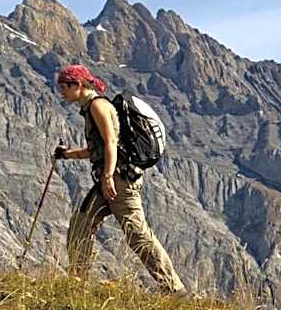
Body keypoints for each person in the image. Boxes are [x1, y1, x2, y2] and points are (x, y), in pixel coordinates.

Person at [54, 64, 188, 297]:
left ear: (77, 85)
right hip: (113, 179)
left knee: (137, 234)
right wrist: (67, 155)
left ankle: (175, 290)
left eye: (64, 87)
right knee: (81, 224)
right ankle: (76, 283)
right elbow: (95, 149)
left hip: (119, 180)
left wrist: (107, 177)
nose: (62, 92)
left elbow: (110, 144)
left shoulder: (97, 105)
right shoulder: (92, 107)